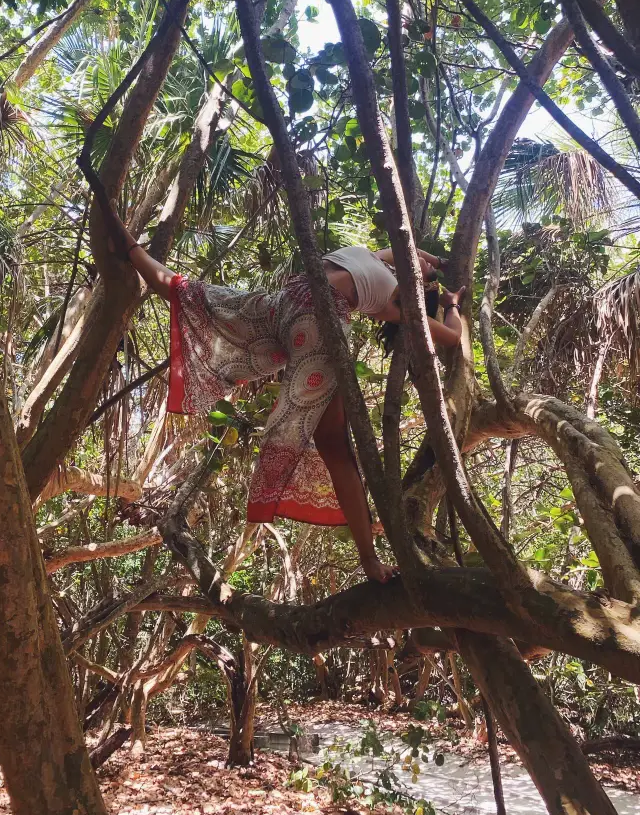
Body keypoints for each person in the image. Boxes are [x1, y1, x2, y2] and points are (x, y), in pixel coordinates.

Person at [110, 213, 464, 584]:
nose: (422, 268)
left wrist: (451, 303)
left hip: (313, 324)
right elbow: (405, 249)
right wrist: (439, 262)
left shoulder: (394, 303)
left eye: (426, 278)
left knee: (335, 448)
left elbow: (452, 338)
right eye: (423, 267)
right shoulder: (372, 257)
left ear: (417, 289)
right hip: (283, 306)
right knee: (201, 297)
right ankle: (130, 248)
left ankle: (369, 560)